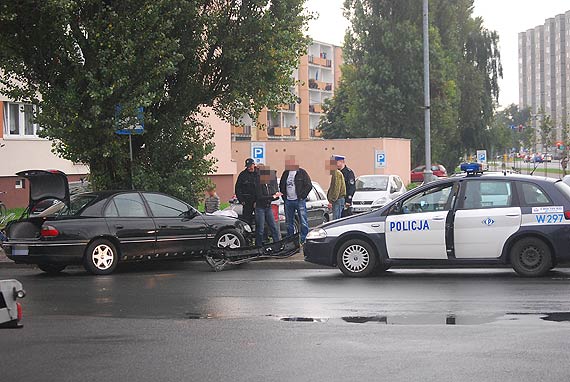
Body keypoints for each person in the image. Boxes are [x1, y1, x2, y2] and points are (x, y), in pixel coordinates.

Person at [279, 155, 312, 243]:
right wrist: (284, 197)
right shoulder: (285, 173)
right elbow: (281, 185)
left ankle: (304, 239)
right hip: (288, 201)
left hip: (299, 200)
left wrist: (302, 196)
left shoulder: (302, 172)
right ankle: (291, 240)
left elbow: (309, 185)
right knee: (289, 222)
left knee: (303, 221)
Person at [255, 164, 282, 247]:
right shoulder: (258, 183)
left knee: (273, 227)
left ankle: (277, 245)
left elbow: (271, 196)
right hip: (260, 208)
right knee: (260, 229)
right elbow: (260, 197)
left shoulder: (269, 184)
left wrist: (275, 196)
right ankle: (258, 246)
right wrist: (272, 197)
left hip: (268, 207)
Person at [235, 158, 258, 225]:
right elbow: (238, 188)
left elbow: (263, 189)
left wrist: (258, 201)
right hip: (247, 202)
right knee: (246, 220)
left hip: (258, 202)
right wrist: (241, 200)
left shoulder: (259, 173)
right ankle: (247, 234)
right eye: (247, 166)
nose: (249, 168)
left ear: (254, 164)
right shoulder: (243, 175)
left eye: (250, 166)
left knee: (259, 221)